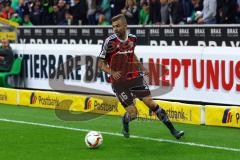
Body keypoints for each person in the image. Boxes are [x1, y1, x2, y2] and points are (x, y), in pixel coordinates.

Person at [98, 14, 184, 139]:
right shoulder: (109, 42)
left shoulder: (132, 38)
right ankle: (126, 120)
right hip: (119, 82)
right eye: (113, 27)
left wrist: (142, 68)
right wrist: (111, 72)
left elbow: (132, 55)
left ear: (125, 26)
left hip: (135, 78)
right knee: (133, 114)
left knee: (151, 104)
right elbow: (100, 63)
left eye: (118, 26)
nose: (115, 29)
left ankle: (174, 131)